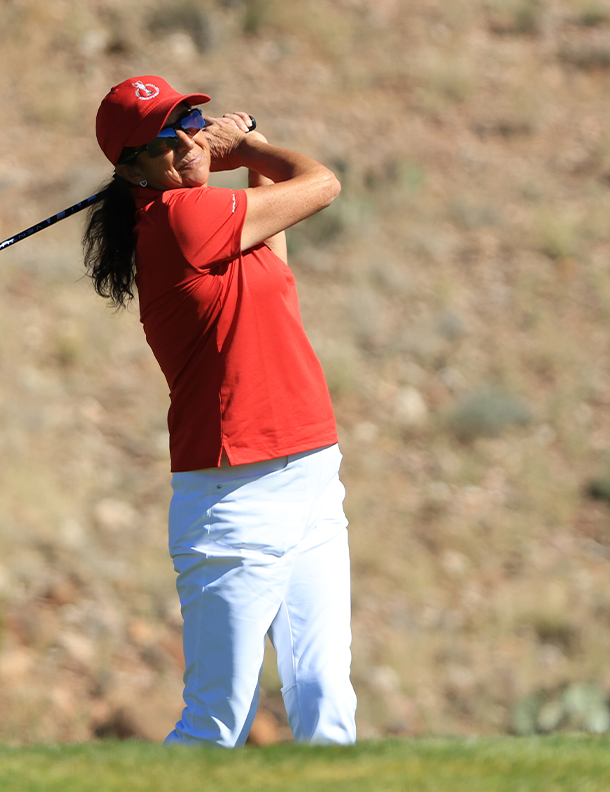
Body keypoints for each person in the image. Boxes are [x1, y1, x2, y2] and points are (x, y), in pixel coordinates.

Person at [83, 75, 357, 747]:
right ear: (132, 168)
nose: (185, 138)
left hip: (312, 467)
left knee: (325, 693)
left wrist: (238, 163)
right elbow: (323, 184)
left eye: (191, 120)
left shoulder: (212, 218)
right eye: (162, 138)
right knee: (216, 719)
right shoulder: (179, 218)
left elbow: (277, 236)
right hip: (235, 494)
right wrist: (254, 148)